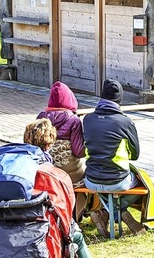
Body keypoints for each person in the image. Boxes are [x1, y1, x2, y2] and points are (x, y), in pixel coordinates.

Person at [82, 79, 146, 236]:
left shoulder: (87, 120)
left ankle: (105, 212)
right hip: (118, 181)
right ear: (119, 99)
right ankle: (119, 213)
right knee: (143, 185)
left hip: (91, 180)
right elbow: (135, 155)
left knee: (105, 189)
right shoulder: (125, 122)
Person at [23, 119, 91, 258]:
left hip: (20, 225)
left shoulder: (20, 165)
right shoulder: (50, 172)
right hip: (45, 227)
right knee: (76, 236)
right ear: (50, 144)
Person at [37, 81, 91, 222]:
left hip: (46, 173)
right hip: (70, 173)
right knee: (87, 178)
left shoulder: (41, 118)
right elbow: (79, 152)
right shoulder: (74, 120)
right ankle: (78, 215)